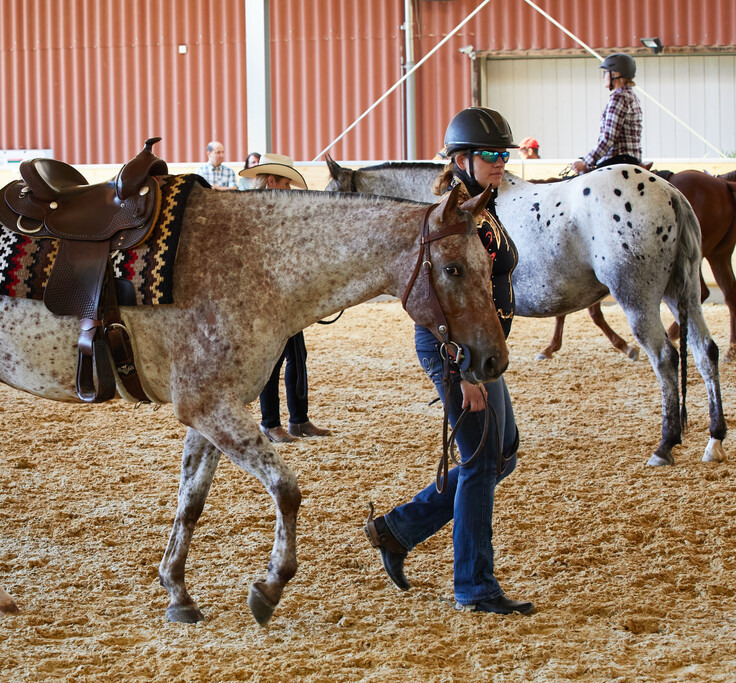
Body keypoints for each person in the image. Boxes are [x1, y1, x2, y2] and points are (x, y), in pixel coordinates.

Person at [364, 107, 532, 615]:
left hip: (478, 349)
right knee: (482, 461)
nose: (501, 162)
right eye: (491, 155)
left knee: (502, 454)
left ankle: (399, 529)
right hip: (454, 349)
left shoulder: (481, 206)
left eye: (504, 154)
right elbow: (437, 298)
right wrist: (462, 369)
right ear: (460, 158)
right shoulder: (450, 215)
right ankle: (475, 588)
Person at [237, 153, 331, 443]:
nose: (289, 188)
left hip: (287, 295)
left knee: (297, 356)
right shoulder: (255, 210)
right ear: (274, 180)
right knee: (274, 359)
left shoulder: (282, 209)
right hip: (265, 297)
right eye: (286, 182)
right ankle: (270, 423)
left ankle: (299, 420)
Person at [571, 53, 643, 174]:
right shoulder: (631, 96)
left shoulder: (619, 98)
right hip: (630, 158)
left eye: (605, 73)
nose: (603, 77)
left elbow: (609, 137)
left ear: (615, 74)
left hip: (617, 160)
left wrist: (586, 161)